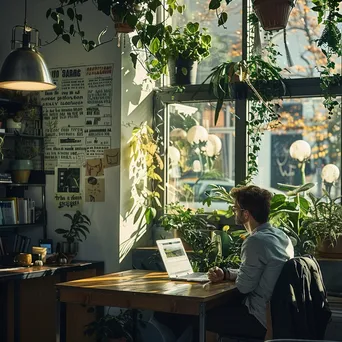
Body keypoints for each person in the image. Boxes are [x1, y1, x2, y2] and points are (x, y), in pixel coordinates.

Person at [206, 185, 294, 339]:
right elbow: (260, 273)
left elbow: (244, 287)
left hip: (260, 318)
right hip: (279, 317)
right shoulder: (281, 236)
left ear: (245, 214)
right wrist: (227, 273)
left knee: (204, 317)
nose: (234, 211)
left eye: (235, 209)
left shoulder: (255, 241)